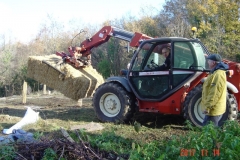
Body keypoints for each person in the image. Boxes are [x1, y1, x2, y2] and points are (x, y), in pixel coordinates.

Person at [201, 54, 229, 127]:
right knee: (208, 129)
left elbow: (214, 93)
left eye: (208, 61)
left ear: (213, 63)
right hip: (212, 108)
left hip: (213, 109)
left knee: (210, 131)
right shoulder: (215, 72)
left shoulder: (218, 74)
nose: (208, 63)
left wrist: (207, 107)